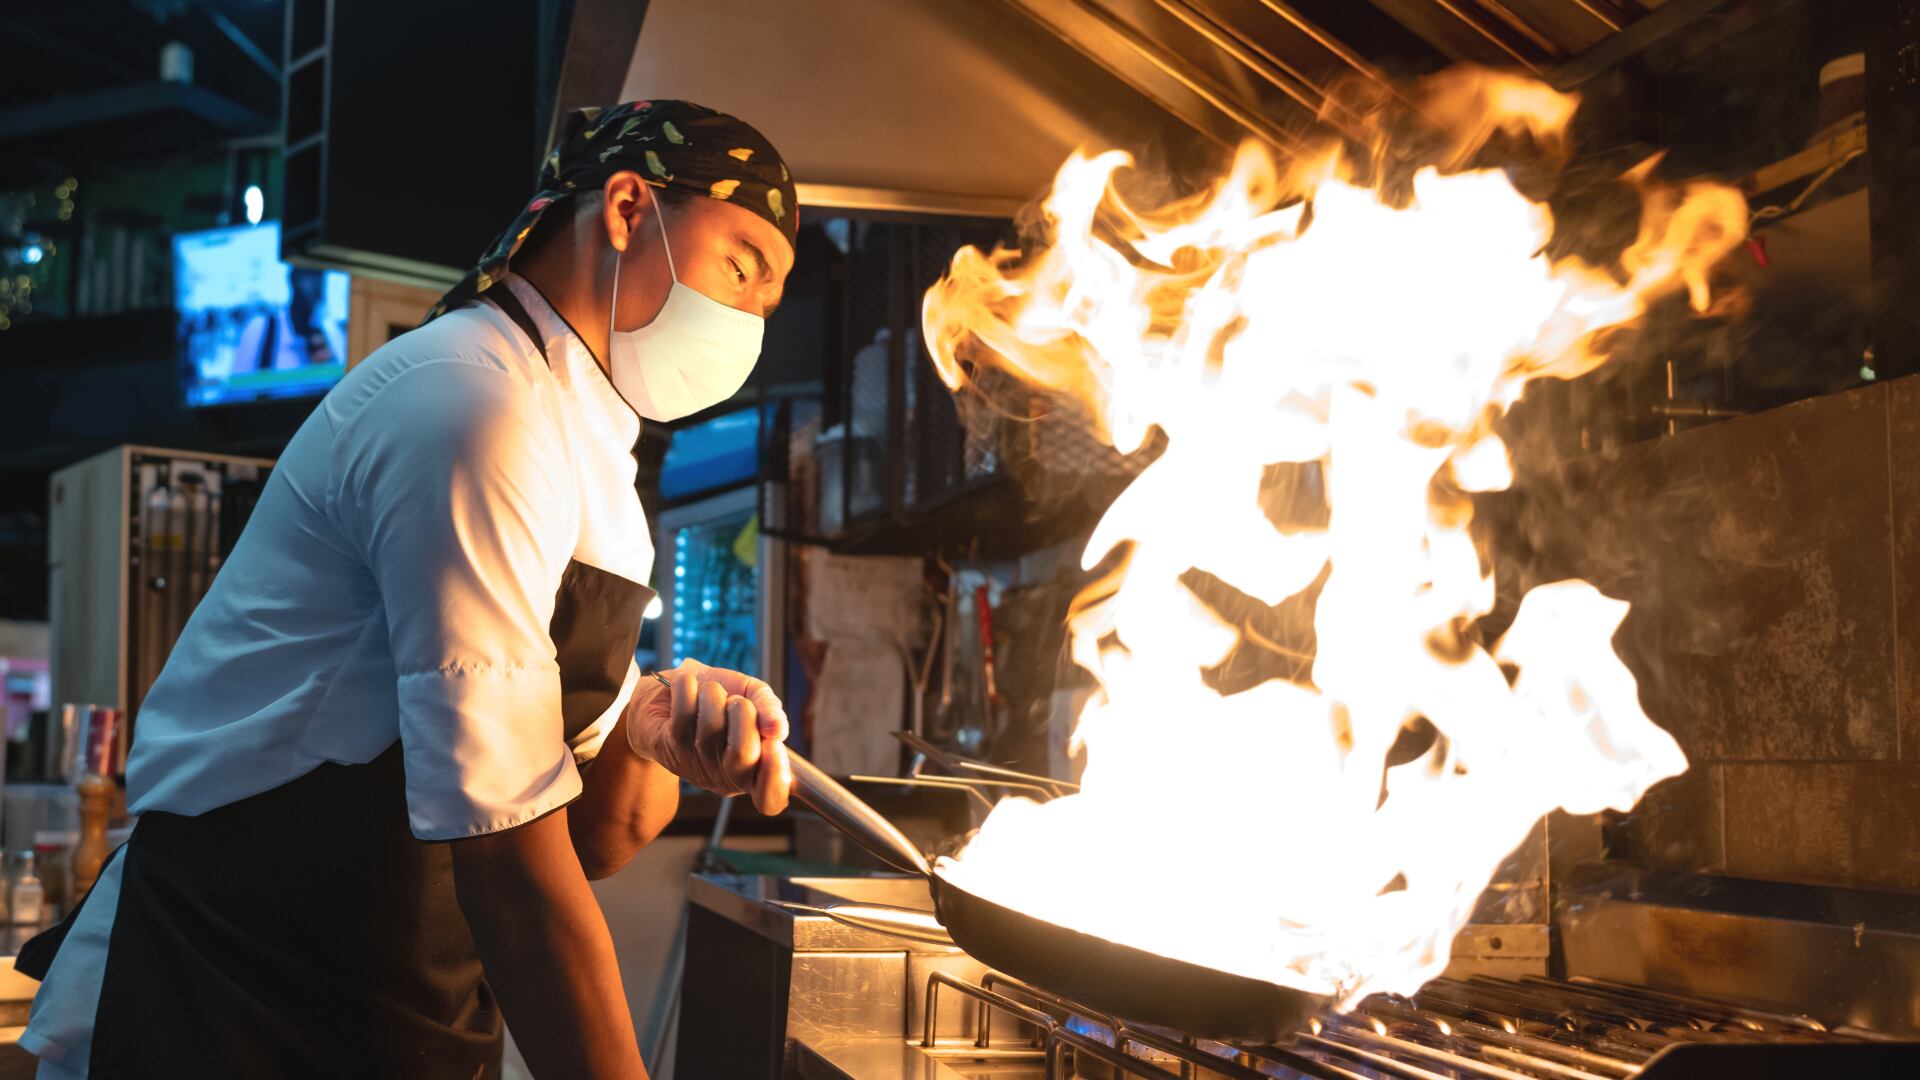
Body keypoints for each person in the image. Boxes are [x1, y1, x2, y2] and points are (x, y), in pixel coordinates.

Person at [19, 100, 800, 1079]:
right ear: (628, 208)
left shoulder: (596, 467)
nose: (756, 315)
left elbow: (596, 835)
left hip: (397, 1016)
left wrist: (653, 728)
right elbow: (512, 866)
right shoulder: (472, 404)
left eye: (773, 295)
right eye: (744, 264)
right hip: (230, 999)